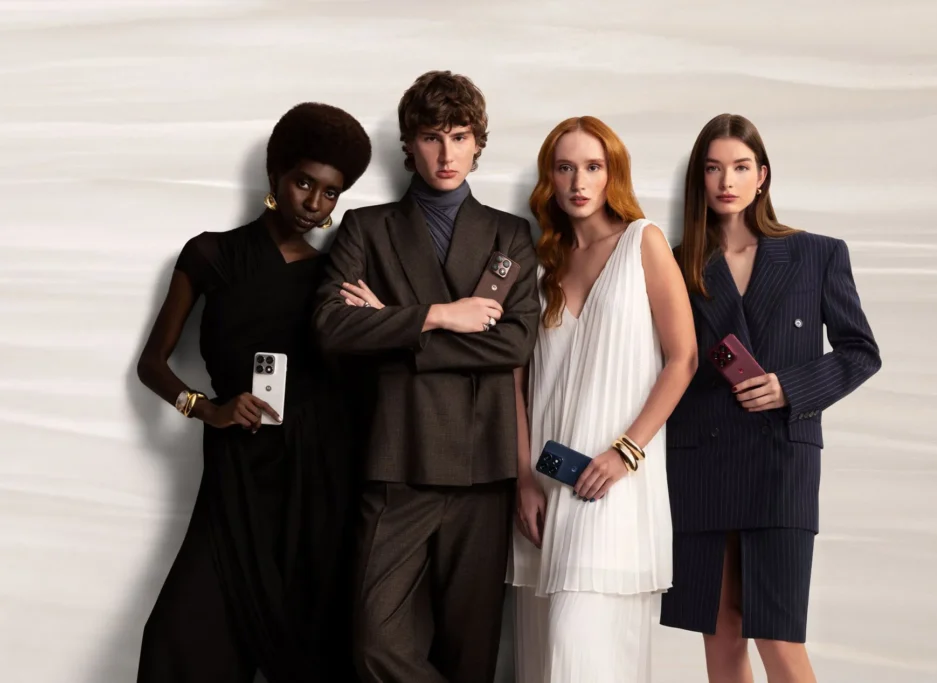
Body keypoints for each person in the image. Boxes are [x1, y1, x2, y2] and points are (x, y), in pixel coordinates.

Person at [312, 70, 540, 683]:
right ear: (409, 145)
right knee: (373, 643)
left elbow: (515, 342)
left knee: (471, 654)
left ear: (477, 144)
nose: (446, 153)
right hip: (397, 462)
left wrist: (393, 327)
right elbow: (330, 326)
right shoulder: (366, 228)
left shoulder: (510, 234)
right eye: (432, 137)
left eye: (459, 136)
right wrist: (440, 315)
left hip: (483, 466)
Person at [135, 102, 372, 683]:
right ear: (275, 175)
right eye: (304, 183)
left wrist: (377, 318)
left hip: (316, 476)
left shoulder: (334, 278)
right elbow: (152, 364)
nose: (314, 203)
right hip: (236, 466)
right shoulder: (210, 254)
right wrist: (207, 409)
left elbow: (355, 382)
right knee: (178, 635)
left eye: (331, 193)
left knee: (312, 645)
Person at [661, 113, 882, 683]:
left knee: (778, 638)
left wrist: (790, 387)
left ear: (762, 175)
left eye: (740, 167)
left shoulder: (816, 254)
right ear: (699, 177)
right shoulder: (677, 264)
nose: (726, 181)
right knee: (721, 634)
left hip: (781, 462)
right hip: (701, 462)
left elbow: (861, 352)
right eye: (713, 168)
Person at [507, 116, 699, 683]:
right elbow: (515, 380)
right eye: (564, 167)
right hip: (546, 492)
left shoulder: (644, 241)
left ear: (613, 172)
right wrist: (522, 480)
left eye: (593, 166)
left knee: (580, 650)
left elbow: (683, 358)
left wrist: (625, 453)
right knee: (544, 660)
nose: (578, 181)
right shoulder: (541, 263)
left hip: (616, 488)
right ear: (549, 178)